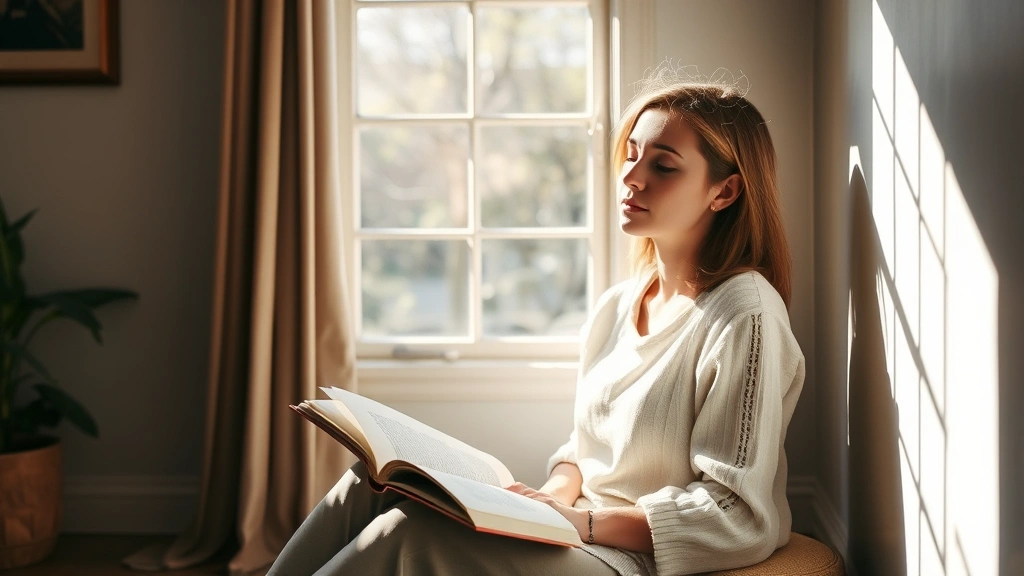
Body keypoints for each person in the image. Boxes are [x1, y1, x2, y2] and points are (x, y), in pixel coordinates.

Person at [267, 74, 805, 576]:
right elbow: (584, 447)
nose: (631, 177)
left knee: (409, 533)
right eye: (632, 155)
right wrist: (547, 500)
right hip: (574, 527)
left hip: (629, 559)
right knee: (373, 484)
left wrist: (580, 523)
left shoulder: (744, 314)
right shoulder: (618, 305)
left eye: (663, 166)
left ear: (725, 191)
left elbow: (736, 513)